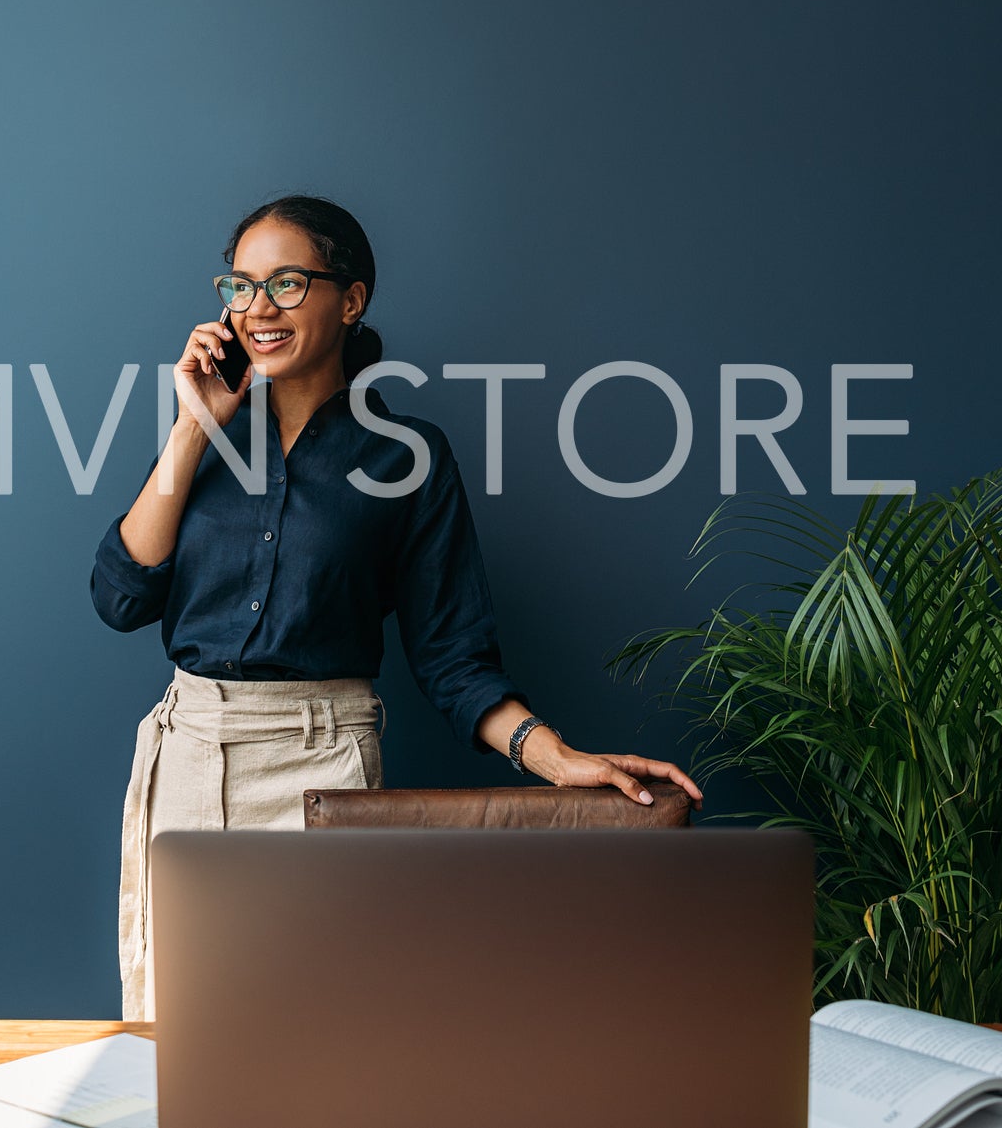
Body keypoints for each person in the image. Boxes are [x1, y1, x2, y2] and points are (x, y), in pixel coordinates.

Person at [90, 194, 702, 1020]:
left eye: (287, 282)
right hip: (187, 759)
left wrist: (558, 758)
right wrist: (191, 427)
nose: (258, 308)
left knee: (320, 1044)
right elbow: (121, 596)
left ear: (350, 298)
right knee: (178, 1044)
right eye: (240, 286)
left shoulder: (406, 456)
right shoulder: (205, 436)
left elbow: (453, 657)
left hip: (320, 766)